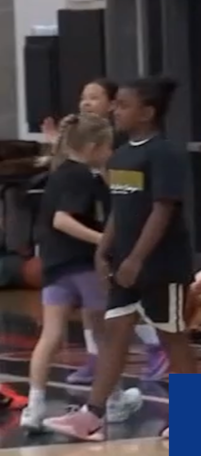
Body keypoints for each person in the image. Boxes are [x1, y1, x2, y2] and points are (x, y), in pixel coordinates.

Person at [44, 76, 197, 441]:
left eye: (124, 105)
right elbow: (120, 207)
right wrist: (104, 249)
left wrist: (138, 258)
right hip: (124, 264)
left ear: (147, 112)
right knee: (114, 335)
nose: (115, 110)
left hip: (161, 265)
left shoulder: (164, 153)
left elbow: (163, 209)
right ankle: (93, 416)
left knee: (173, 337)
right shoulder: (121, 154)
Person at [40, 79, 167, 383]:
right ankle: (97, 358)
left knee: (119, 300)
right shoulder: (78, 159)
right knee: (94, 308)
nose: (86, 103)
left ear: (111, 105)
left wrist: (108, 238)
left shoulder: (119, 145)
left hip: (119, 231)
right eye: (83, 97)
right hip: (91, 245)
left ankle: (153, 347)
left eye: (94, 97)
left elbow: (128, 189)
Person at [21, 114, 115, 431]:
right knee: (105, 335)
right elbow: (62, 220)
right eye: (108, 147)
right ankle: (113, 398)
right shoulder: (80, 176)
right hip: (83, 264)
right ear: (93, 146)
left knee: (50, 335)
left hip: (54, 265)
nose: (110, 153)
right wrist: (102, 240)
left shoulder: (59, 173)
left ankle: (34, 406)